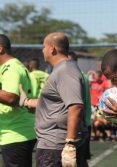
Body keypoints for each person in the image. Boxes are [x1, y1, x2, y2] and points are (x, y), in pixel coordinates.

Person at [27, 32, 86, 167]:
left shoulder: (65, 70)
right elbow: (58, 103)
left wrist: (69, 144)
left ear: (52, 48)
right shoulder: (61, 69)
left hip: (55, 147)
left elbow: (75, 106)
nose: (42, 50)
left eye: (44, 47)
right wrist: (27, 102)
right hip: (51, 145)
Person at [0, 34, 36, 167]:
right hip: (15, 132)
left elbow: (10, 97)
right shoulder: (10, 66)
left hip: (16, 133)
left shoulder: (11, 67)